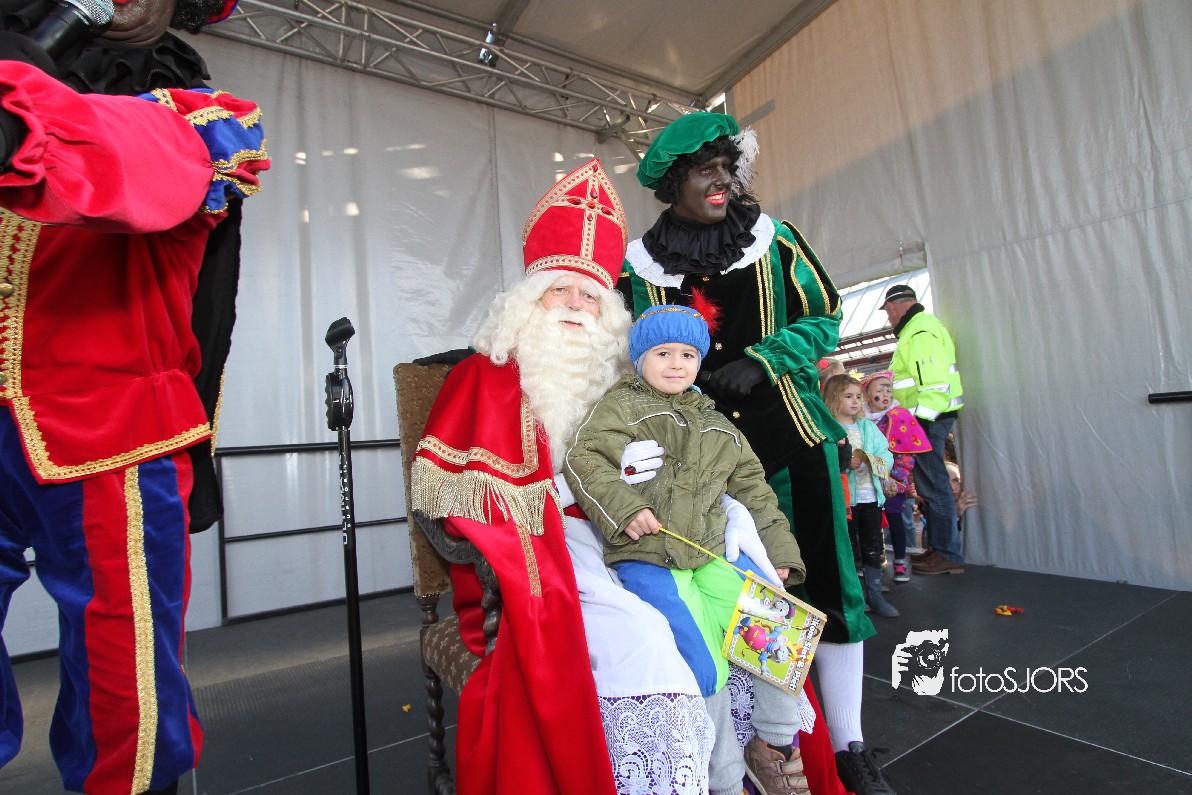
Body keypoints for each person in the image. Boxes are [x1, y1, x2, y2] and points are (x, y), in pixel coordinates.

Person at [0, 1, 269, 791]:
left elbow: (118, 167)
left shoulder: (207, 120)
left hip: (107, 430)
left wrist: (21, 80)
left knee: (125, 689)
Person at [410, 160, 717, 795]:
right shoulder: (481, 376)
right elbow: (447, 492)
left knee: (719, 613)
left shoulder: (624, 384)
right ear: (529, 299)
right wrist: (550, 502)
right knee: (644, 639)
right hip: (544, 544)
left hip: (632, 533)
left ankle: (743, 762)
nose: (576, 306)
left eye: (590, 296)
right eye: (561, 291)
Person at [620, 112, 895, 795]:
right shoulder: (637, 267)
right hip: (699, 467)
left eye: (727, 167)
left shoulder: (777, 240)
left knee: (828, 589)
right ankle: (762, 747)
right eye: (705, 170)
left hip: (794, 441)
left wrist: (767, 359)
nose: (721, 181)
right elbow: (612, 346)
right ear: (674, 183)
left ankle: (849, 745)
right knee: (736, 603)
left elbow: (825, 315)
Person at [565, 304, 811, 795]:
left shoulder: (715, 421)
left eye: (687, 355)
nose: (676, 364)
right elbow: (583, 459)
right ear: (640, 359)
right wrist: (625, 506)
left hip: (712, 548)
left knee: (781, 623)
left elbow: (754, 489)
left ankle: (774, 745)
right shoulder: (621, 407)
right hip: (651, 555)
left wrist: (780, 552)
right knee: (701, 660)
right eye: (663, 353)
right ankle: (723, 778)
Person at [880, 284, 965, 576]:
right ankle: (940, 549)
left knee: (935, 486)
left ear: (894, 307)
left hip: (927, 421)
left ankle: (947, 553)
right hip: (927, 420)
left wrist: (919, 424)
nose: (889, 318)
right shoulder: (919, 329)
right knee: (932, 485)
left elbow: (934, 384)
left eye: (888, 312)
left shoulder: (919, 332)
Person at [822, 374, 897, 618]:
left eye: (858, 397)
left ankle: (875, 595)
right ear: (834, 398)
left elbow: (886, 453)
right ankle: (854, 596)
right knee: (850, 547)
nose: (855, 401)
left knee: (873, 546)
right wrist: (844, 462)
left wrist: (873, 461)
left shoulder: (867, 427)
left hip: (871, 498)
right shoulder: (829, 430)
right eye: (848, 396)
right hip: (846, 501)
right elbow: (824, 461)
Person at [861, 370, 931, 583]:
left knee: (895, 518)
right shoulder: (861, 419)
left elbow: (907, 453)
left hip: (892, 481)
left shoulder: (900, 416)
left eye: (888, 389)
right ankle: (875, 561)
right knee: (872, 522)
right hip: (867, 481)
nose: (885, 393)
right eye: (880, 389)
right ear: (867, 394)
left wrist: (896, 479)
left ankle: (900, 561)